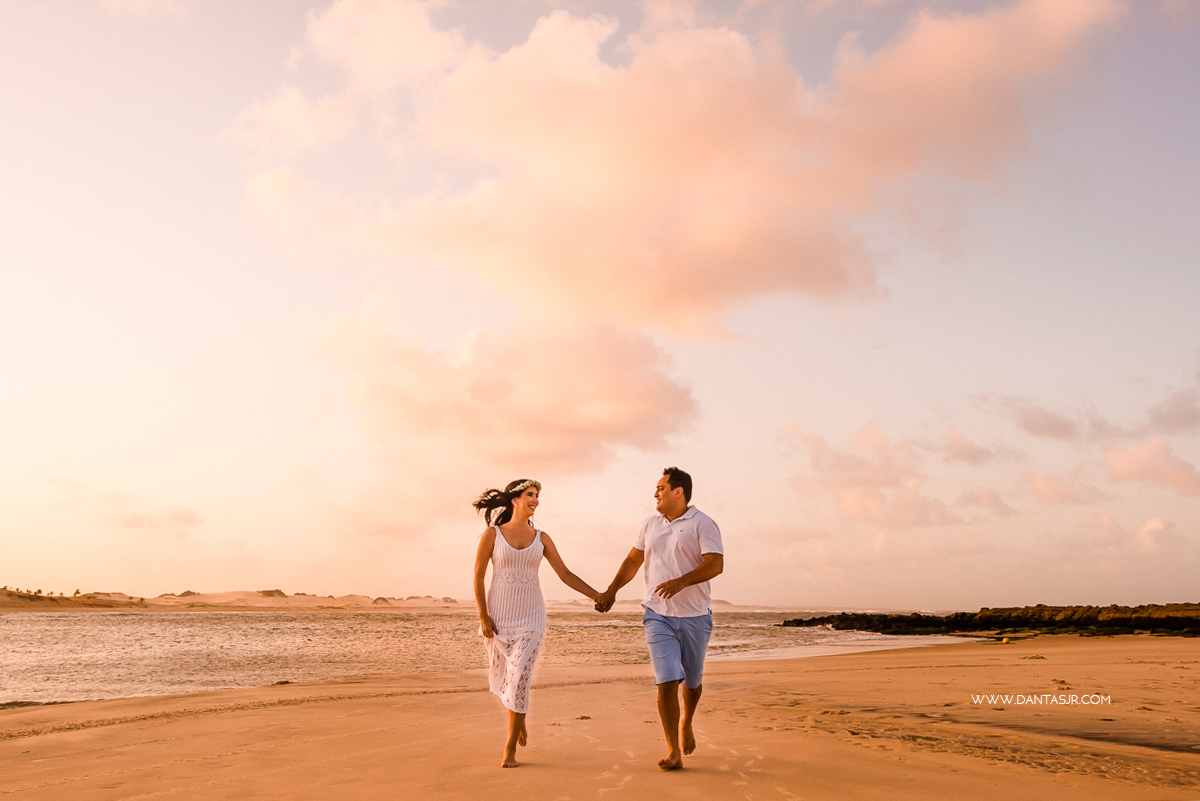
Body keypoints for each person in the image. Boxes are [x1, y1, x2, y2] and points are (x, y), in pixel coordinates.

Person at [595, 467, 723, 770]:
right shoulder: (649, 524)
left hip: (695, 617)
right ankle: (673, 750)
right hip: (657, 615)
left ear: (678, 492)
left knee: (692, 682)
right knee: (667, 680)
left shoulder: (703, 524)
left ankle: (687, 721)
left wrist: (681, 582)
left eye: (660, 488)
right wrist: (612, 590)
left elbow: (715, 564)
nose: (655, 493)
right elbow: (633, 560)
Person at [473, 478, 600, 768]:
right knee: (507, 677)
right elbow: (478, 576)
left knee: (519, 678)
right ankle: (519, 717)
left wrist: (597, 595)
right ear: (515, 499)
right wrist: (483, 615)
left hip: (531, 618)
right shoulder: (492, 535)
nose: (536, 500)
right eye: (531, 494)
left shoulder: (542, 538)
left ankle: (509, 749)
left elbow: (565, 575)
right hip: (499, 617)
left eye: (538, 496)